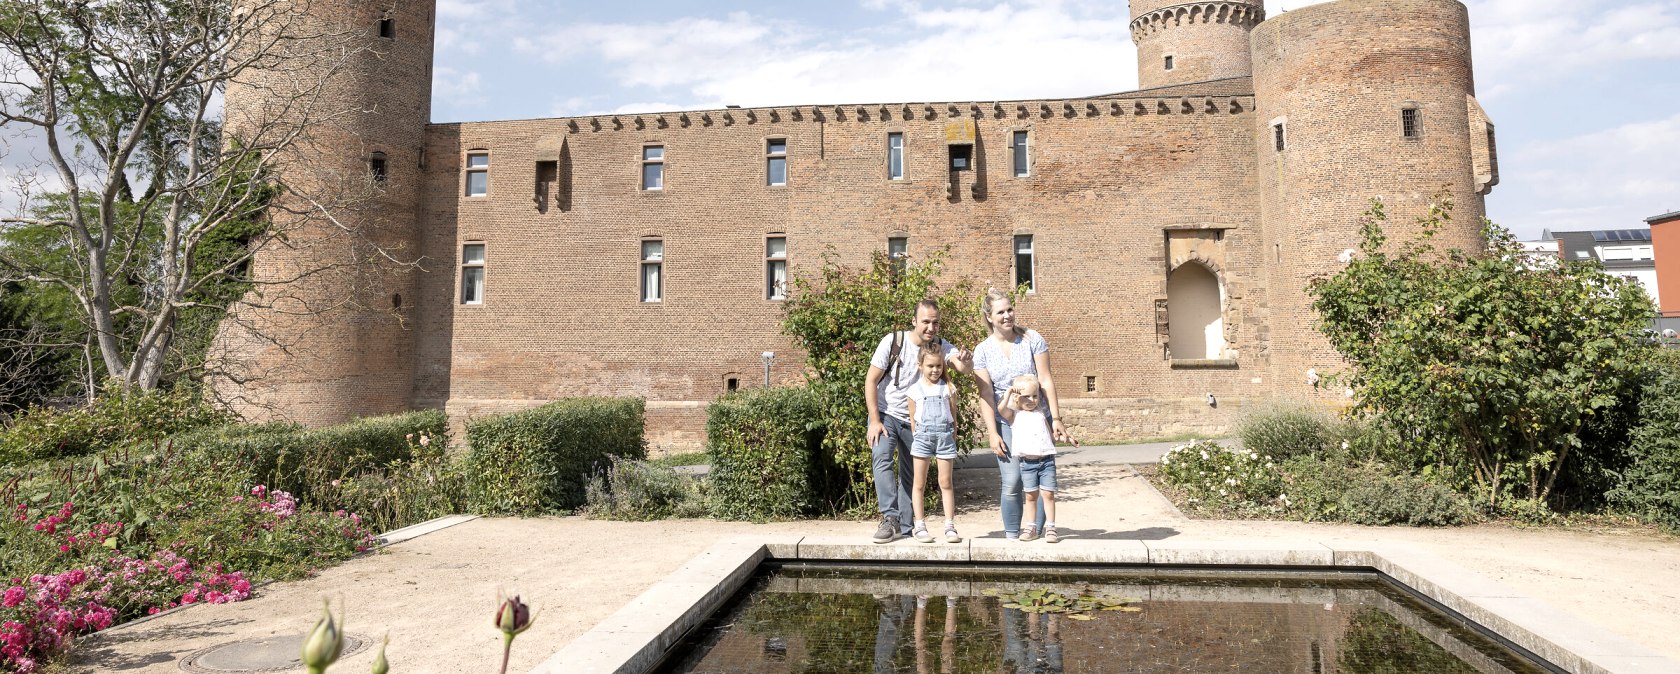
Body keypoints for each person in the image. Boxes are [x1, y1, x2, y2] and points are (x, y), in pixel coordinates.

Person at [972, 289, 1076, 540]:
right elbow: (986, 396)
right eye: (1000, 312)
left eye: (1010, 310)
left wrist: (1057, 418)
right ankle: (1011, 535)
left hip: (1037, 417)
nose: (1007, 315)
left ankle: (1037, 530)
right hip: (1006, 420)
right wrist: (992, 433)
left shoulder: (1032, 339)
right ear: (989, 316)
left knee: (1040, 476)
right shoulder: (982, 351)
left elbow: (1046, 379)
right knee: (1012, 480)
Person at [865, 300, 972, 543]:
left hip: (919, 421)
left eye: (935, 322)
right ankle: (889, 518)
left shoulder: (940, 346)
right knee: (881, 457)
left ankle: (904, 523)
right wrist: (874, 420)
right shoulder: (893, 342)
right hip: (887, 413)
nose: (931, 327)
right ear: (914, 321)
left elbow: (961, 365)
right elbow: (871, 380)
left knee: (910, 473)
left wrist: (965, 360)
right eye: (925, 321)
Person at [906, 349, 960, 544]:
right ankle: (919, 525)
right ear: (920, 366)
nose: (935, 370)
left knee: (945, 482)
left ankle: (949, 525)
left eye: (939, 366)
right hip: (922, 438)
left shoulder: (948, 389)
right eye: (930, 366)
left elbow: (953, 416)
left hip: (944, 438)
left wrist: (952, 435)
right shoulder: (914, 391)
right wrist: (918, 435)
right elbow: (913, 420)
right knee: (919, 483)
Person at [998, 375, 1058, 543]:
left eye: (1035, 396)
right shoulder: (1015, 415)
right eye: (1027, 396)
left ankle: (1051, 528)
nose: (1032, 400)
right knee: (1031, 496)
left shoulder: (1040, 413)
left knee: (1048, 494)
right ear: (1017, 398)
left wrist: (1063, 438)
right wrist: (1009, 392)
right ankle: (1030, 527)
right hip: (1028, 463)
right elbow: (1001, 410)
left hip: (1046, 460)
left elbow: (1050, 434)